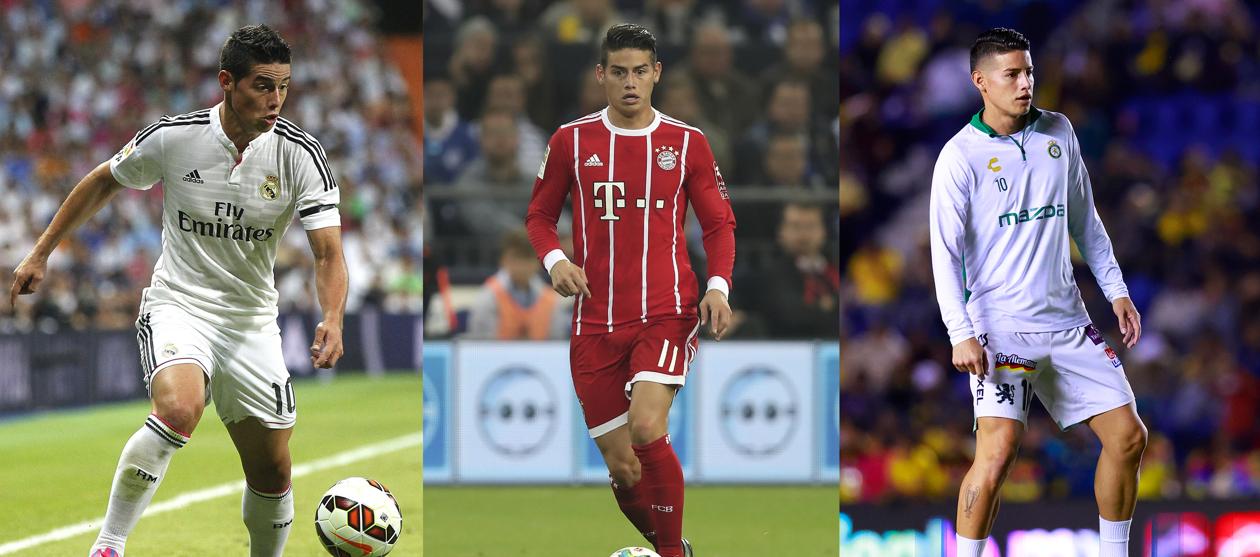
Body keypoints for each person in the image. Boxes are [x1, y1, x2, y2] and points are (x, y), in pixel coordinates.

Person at [8, 25, 347, 557]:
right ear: (226, 83)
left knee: (272, 469)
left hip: (251, 321)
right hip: (180, 305)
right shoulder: (174, 136)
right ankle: (109, 545)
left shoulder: (300, 156)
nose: (276, 99)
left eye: (283, 85)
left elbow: (328, 253)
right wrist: (41, 251)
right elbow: (103, 179)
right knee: (179, 408)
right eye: (262, 85)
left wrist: (333, 315)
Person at [929, 28, 1146, 557]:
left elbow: (1085, 221)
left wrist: (1115, 289)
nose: (1026, 83)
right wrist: (961, 333)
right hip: (1002, 329)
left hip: (1069, 323)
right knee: (998, 451)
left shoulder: (1058, 132)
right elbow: (945, 254)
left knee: (1128, 437)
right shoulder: (960, 158)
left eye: (1029, 71)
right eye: (1012, 74)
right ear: (981, 82)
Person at [525, 23, 735, 557]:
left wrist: (718, 286)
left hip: (665, 311)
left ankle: (667, 555)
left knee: (646, 427)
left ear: (657, 74)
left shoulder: (687, 143)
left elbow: (718, 223)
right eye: (618, 72)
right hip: (594, 322)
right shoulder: (570, 140)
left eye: (640, 71)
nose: (629, 82)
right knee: (623, 468)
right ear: (601, 75)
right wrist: (555, 260)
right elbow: (539, 216)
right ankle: (676, 547)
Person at [466, 229, 571, 340]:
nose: (522, 266)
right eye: (516, 258)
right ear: (503, 260)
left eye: (528, 258)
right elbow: (481, 345)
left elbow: (556, 344)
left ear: (538, 262)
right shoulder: (488, 297)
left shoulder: (552, 300)